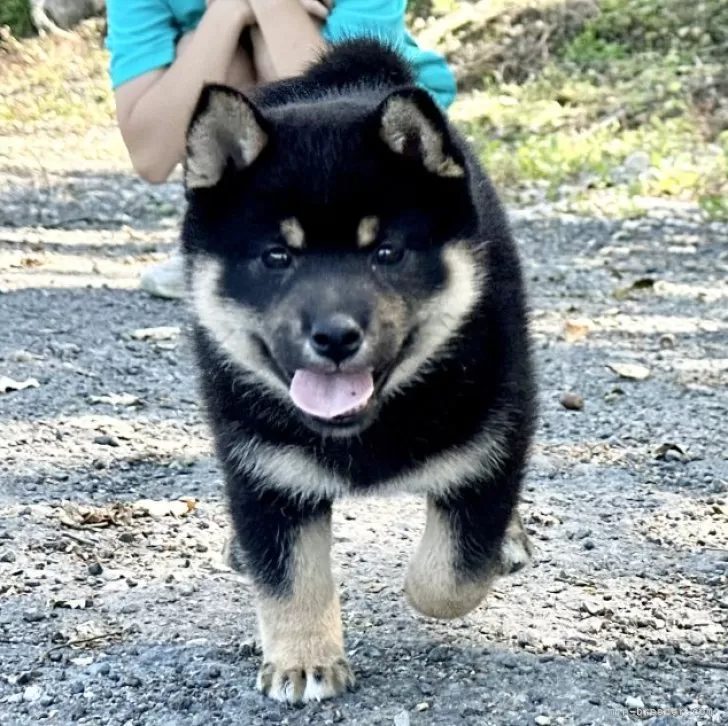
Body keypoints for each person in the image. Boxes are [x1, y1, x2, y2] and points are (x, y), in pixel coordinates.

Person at [106, 0, 457, 299]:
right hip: (263, 116)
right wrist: (223, 17)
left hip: (373, 140)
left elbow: (343, 97)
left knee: (276, 39)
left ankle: (365, 241)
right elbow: (150, 157)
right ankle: (236, 245)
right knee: (212, 55)